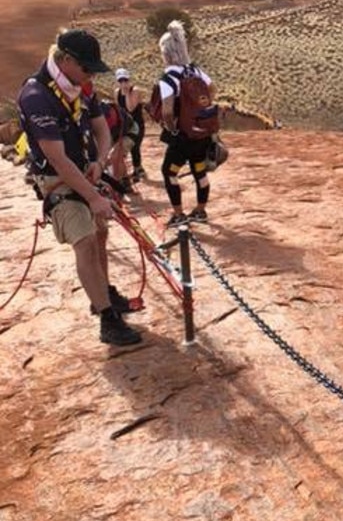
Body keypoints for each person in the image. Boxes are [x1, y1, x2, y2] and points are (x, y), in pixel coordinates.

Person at [17, 28, 142, 348]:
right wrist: (91, 196)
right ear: (66, 60)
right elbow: (57, 159)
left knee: (101, 233)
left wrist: (99, 162)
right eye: (86, 68)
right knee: (85, 240)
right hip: (59, 180)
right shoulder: (37, 96)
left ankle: (103, 293)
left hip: (87, 172)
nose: (89, 76)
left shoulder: (79, 87)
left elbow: (101, 128)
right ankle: (108, 321)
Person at [156, 20, 215, 227]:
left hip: (182, 136)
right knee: (200, 170)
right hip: (201, 133)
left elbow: (167, 109)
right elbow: (212, 88)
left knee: (169, 172)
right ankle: (200, 210)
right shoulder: (196, 71)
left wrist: (171, 127)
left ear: (167, 53)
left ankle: (179, 214)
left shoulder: (168, 78)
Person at [114, 68, 146, 182]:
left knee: (135, 146)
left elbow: (130, 108)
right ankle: (133, 170)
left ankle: (138, 169)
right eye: (120, 81)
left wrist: (127, 93)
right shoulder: (117, 92)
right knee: (123, 148)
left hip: (137, 124)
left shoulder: (135, 90)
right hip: (126, 125)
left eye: (125, 80)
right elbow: (119, 110)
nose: (123, 83)